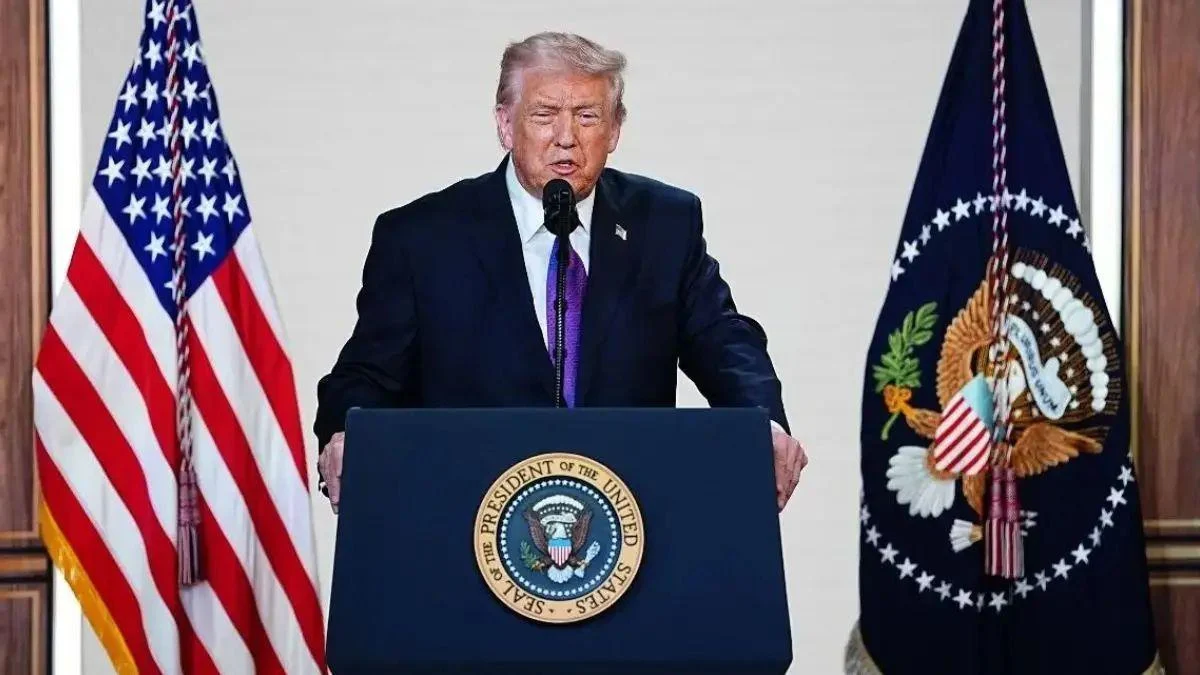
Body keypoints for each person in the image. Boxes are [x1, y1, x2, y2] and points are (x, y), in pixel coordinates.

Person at [314, 31, 807, 513]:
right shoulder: (422, 237)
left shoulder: (663, 223)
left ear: (614, 129)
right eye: (544, 115)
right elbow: (369, 372)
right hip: (466, 508)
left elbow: (723, 339)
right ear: (505, 124)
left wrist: (761, 423)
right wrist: (346, 431)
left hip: (630, 512)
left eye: (587, 116)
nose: (566, 138)